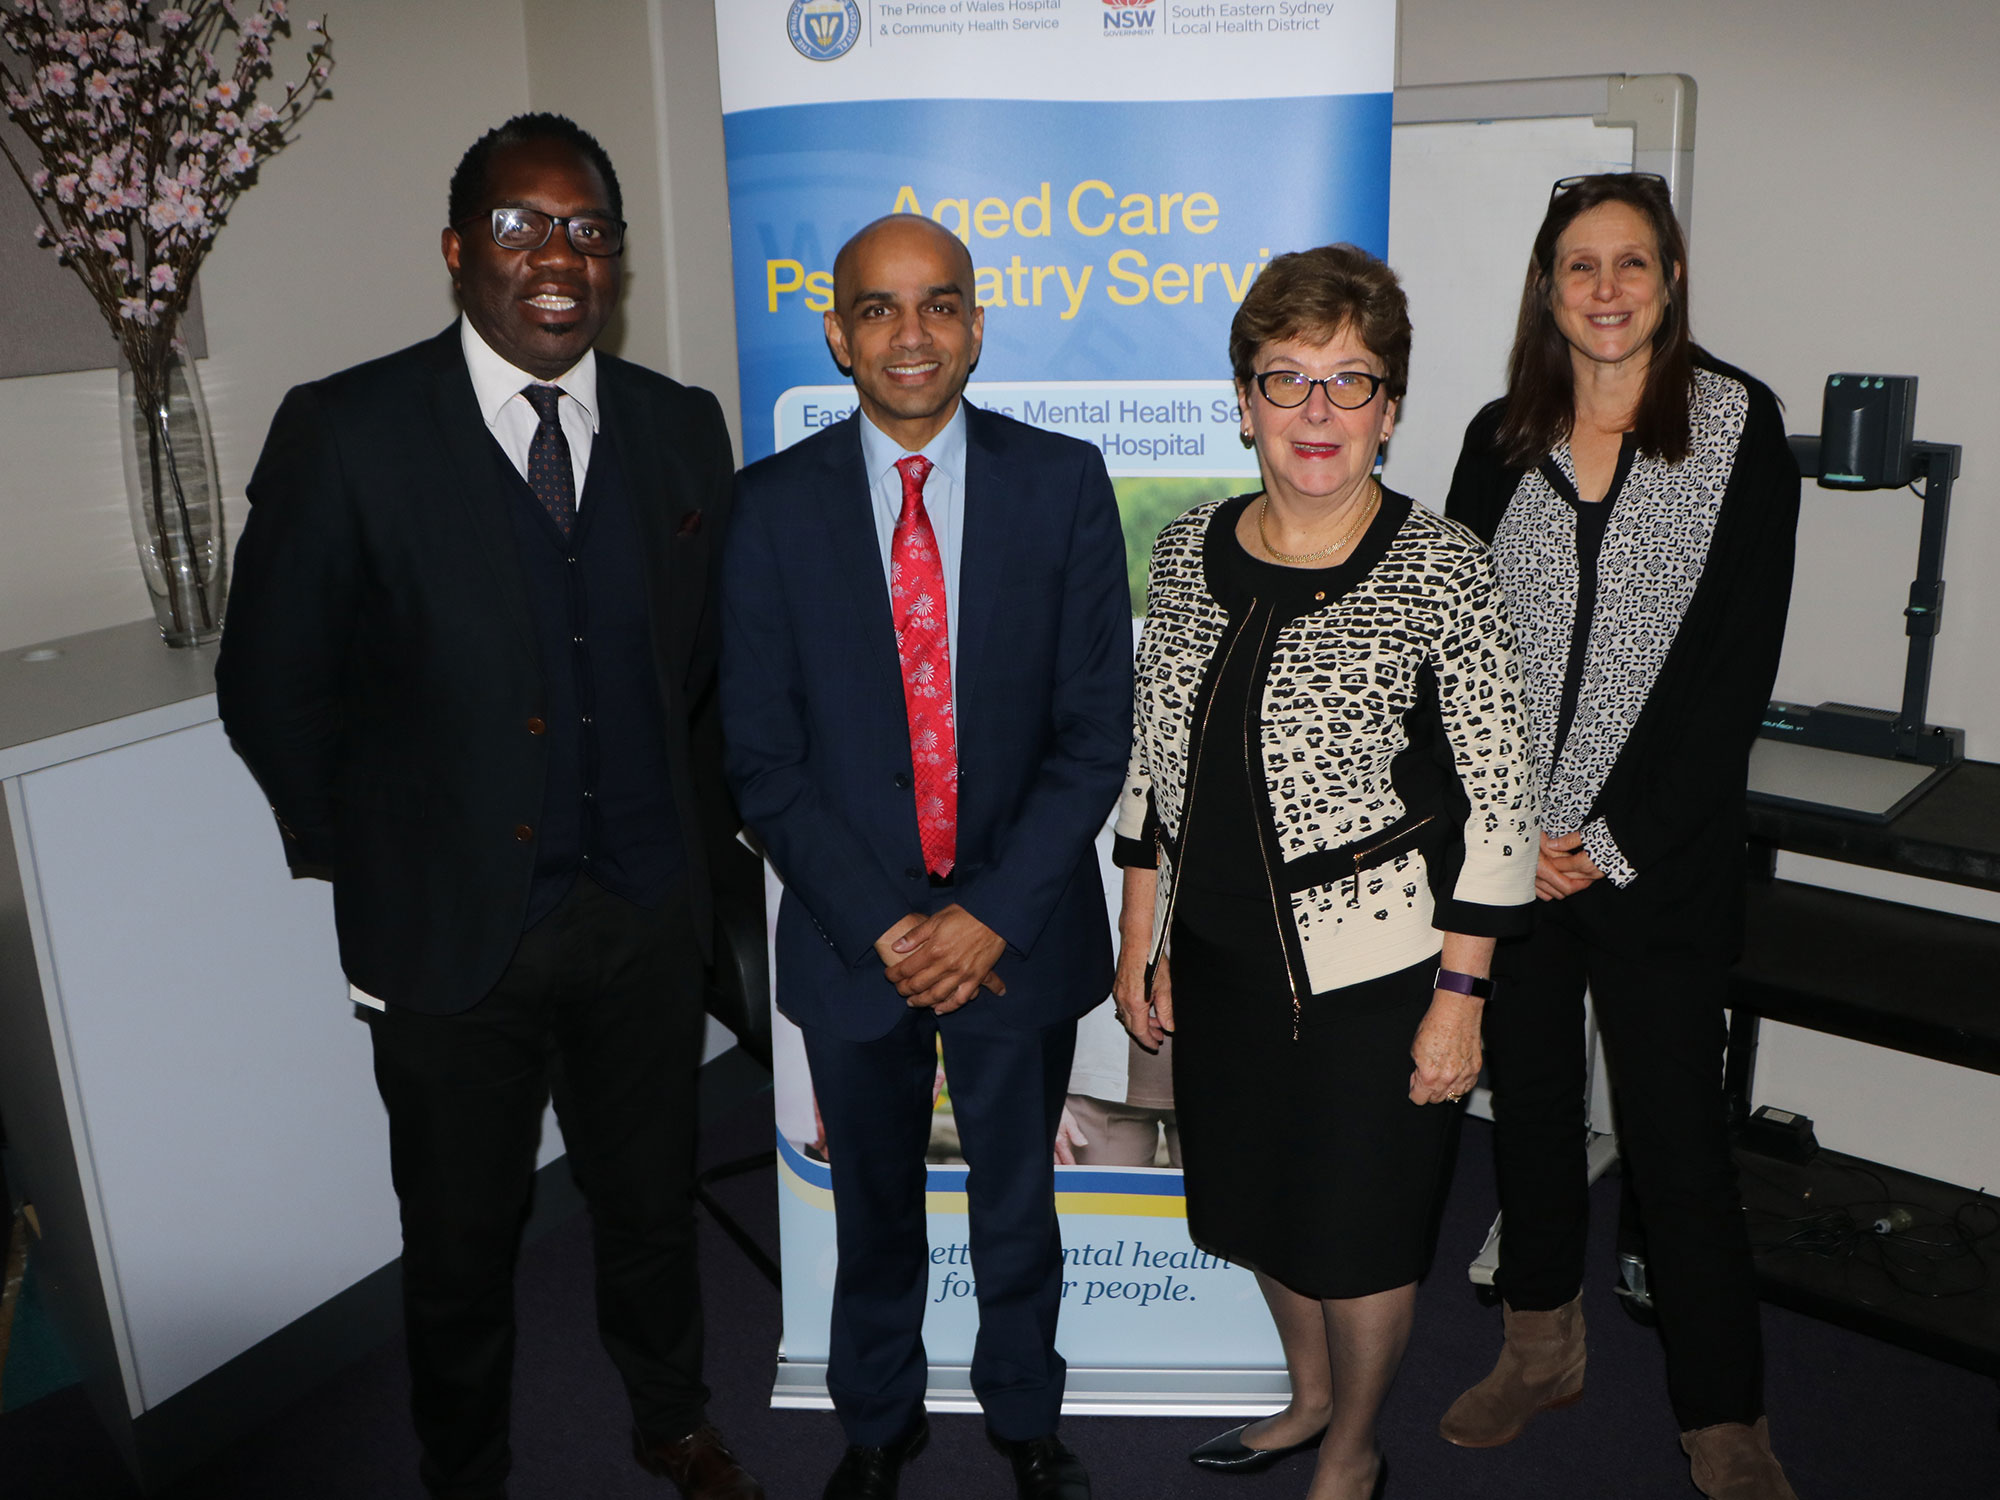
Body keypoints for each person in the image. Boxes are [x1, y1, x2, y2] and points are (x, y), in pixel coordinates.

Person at [215, 114, 760, 1500]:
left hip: (642, 913)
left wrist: (698, 873)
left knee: (647, 1206)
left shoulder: (682, 432)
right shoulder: (346, 431)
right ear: (460, 251)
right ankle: (465, 1467)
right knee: (461, 1238)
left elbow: (696, 678)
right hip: (455, 940)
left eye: (587, 230)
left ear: (618, 260)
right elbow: (272, 687)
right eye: (521, 227)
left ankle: (670, 1417)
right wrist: (375, 866)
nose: (557, 256)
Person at [1112, 244, 1539, 1500]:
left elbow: (1504, 805)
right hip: (1222, 962)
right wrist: (1139, 933)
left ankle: (1351, 1449)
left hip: (1380, 975)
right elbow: (1154, 757)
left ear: (1390, 408)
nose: (1314, 413)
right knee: (1255, 1205)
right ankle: (1304, 1400)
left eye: (1348, 383)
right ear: (1240, 399)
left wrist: (1459, 1002)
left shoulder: (1442, 567)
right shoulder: (1188, 549)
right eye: (1284, 380)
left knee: (1355, 1240)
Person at [721, 213, 1131, 1500]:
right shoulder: (766, 511)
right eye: (881, 309)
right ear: (836, 333)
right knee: (873, 1208)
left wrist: (985, 919)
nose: (912, 334)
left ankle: (1024, 1420)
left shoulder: (1059, 484)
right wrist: (890, 926)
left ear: (973, 324)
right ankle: (877, 1425)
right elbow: (760, 758)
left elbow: (1091, 734)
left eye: (939, 304)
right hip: (858, 939)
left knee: (1019, 1202)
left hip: (1016, 925)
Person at [1437, 172, 1802, 1500]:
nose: (1605, 289)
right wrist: (1504, 827)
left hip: (1659, 862)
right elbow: (1455, 643)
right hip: (1510, 856)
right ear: (1547, 284)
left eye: (1630, 263)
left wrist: (1612, 838)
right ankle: (1541, 1349)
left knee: (1674, 1139)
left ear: (1671, 280)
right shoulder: (1500, 433)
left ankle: (1724, 1416)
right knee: (1527, 1111)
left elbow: (1733, 669)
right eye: (1580, 264)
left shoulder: (1735, 426)